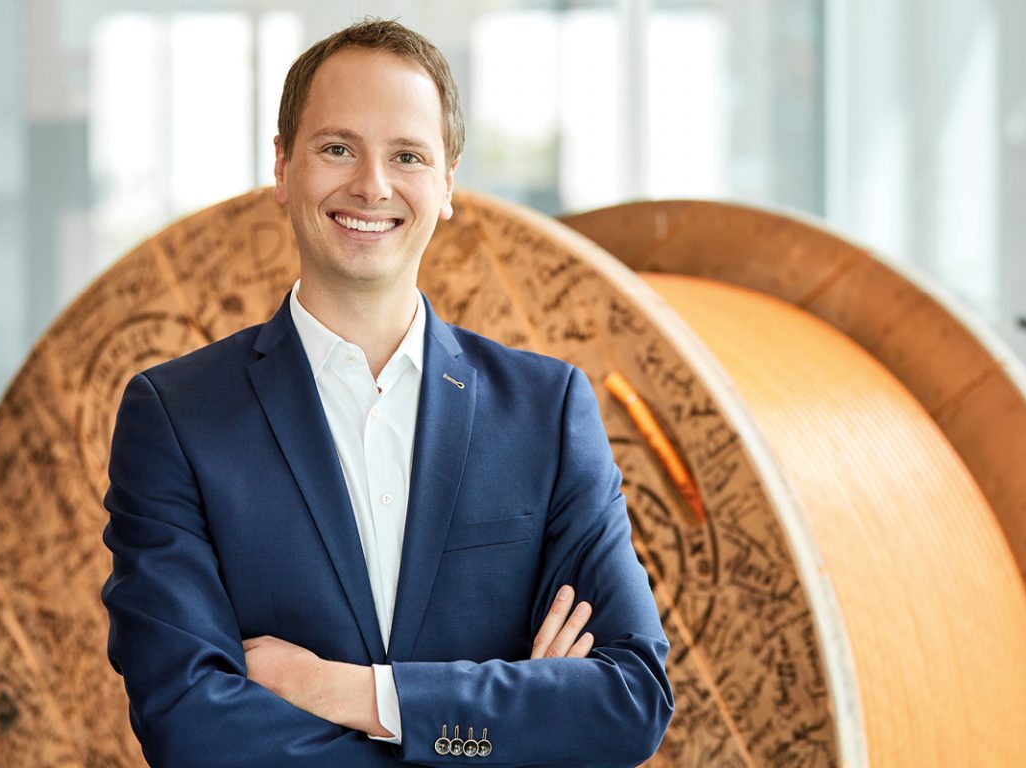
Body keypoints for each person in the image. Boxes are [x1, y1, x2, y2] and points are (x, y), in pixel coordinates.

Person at [100, 18, 673, 767]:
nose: (371, 185)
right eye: (338, 148)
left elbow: (628, 700)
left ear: (447, 186)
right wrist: (512, 720)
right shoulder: (176, 418)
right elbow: (189, 724)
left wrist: (345, 690)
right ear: (282, 167)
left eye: (407, 155)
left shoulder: (547, 410)